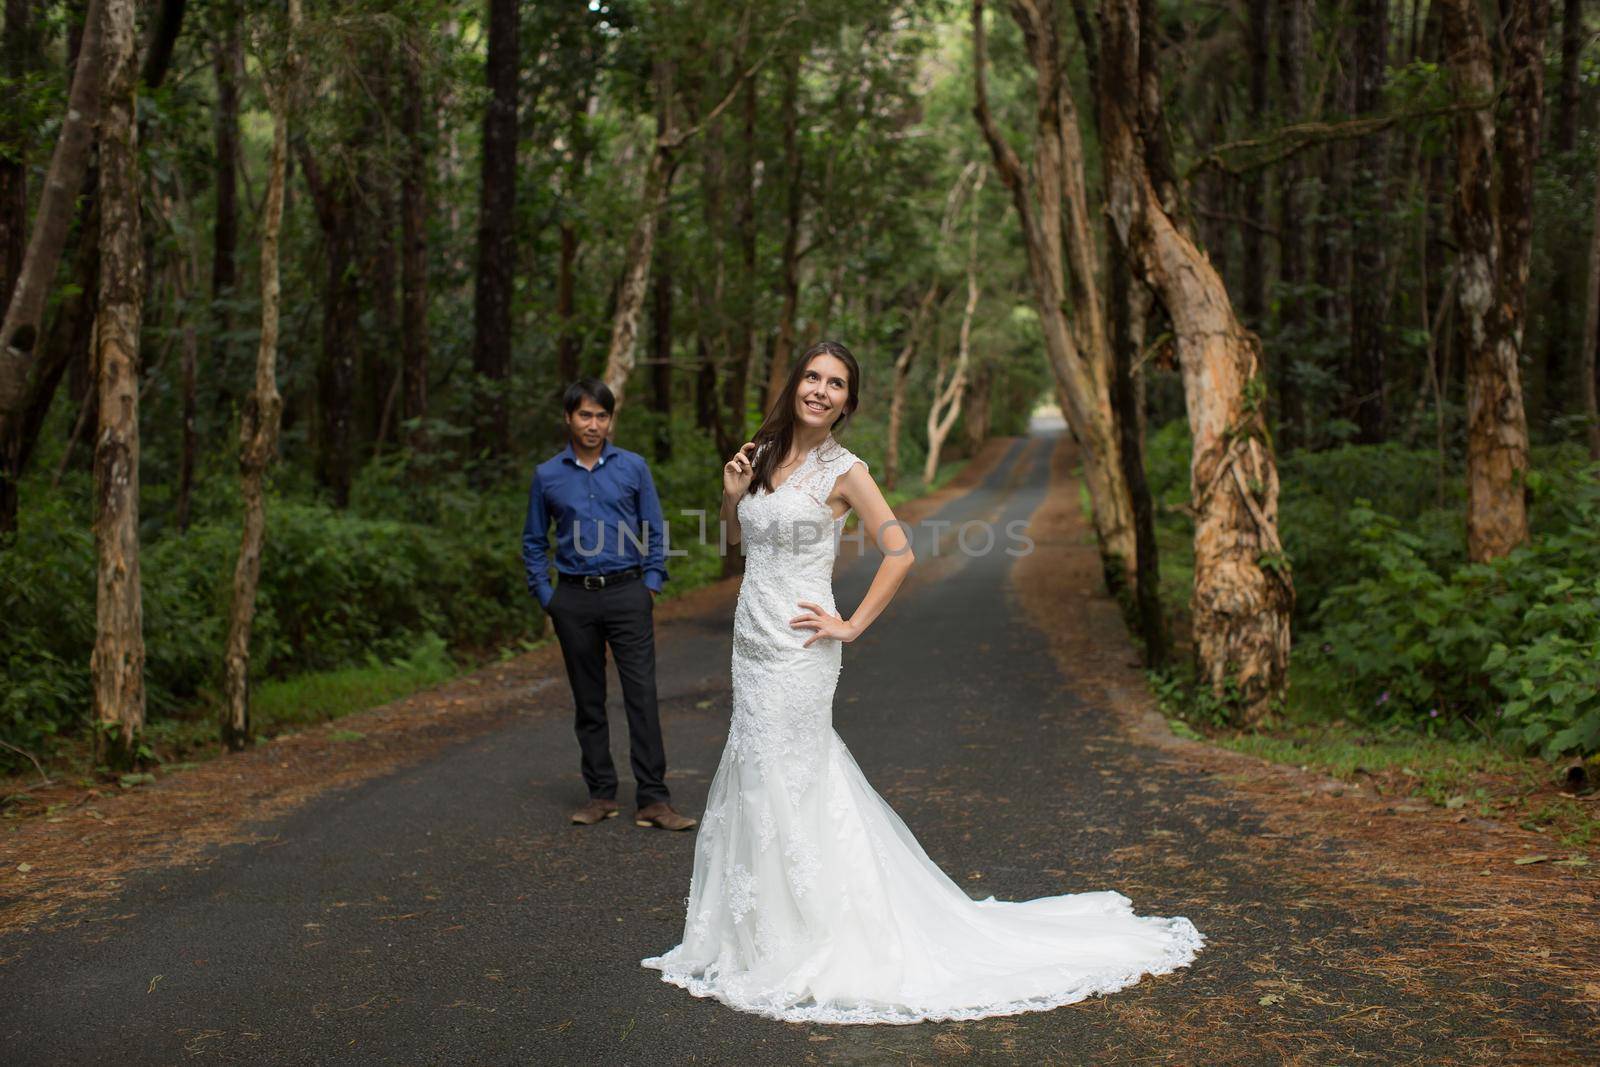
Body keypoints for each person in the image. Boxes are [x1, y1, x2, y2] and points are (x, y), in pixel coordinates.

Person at [641, 341, 1202, 1023]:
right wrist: (730, 498)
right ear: (795, 384)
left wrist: (850, 624)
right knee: (757, 770)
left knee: (793, 773)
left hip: (802, 645)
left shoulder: (845, 470)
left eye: (836, 383)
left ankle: (816, 934)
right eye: (812, 377)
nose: (820, 390)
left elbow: (900, 551)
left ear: (849, 401)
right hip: (751, 641)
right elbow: (742, 547)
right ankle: (758, 931)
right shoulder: (757, 456)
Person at [522, 378, 696, 832]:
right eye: (585, 415)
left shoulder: (633, 468)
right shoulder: (547, 476)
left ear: (610, 419)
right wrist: (548, 597)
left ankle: (654, 800)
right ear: (568, 418)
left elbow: (654, 528)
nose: (593, 424)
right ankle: (600, 794)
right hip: (574, 598)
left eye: (602, 415)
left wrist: (652, 583)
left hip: (627, 593)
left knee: (641, 695)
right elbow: (533, 541)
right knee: (589, 700)